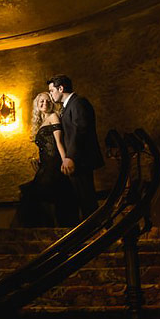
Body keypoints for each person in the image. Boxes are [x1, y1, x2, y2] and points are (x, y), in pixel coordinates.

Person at [14, 92, 77, 227]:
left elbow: (59, 142)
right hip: (45, 165)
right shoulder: (43, 121)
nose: (45, 104)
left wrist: (65, 160)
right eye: (41, 101)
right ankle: (45, 231)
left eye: (48, 101)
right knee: (40, 198)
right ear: (37, 104)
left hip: (54, 164)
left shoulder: (53, 116)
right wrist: (39, 161)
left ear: (52, 103)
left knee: (37, 195)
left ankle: (47, 232)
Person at [47, 74, 104, 221]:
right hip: (77, 160)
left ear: (61, 88)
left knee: (87, 201)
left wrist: (70, 157)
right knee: (82, 201)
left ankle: (97, 235)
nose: (51, 95)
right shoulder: (68, 107)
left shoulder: (78, 103)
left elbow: (81, 131)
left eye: (52, 91)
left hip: (80, 160)